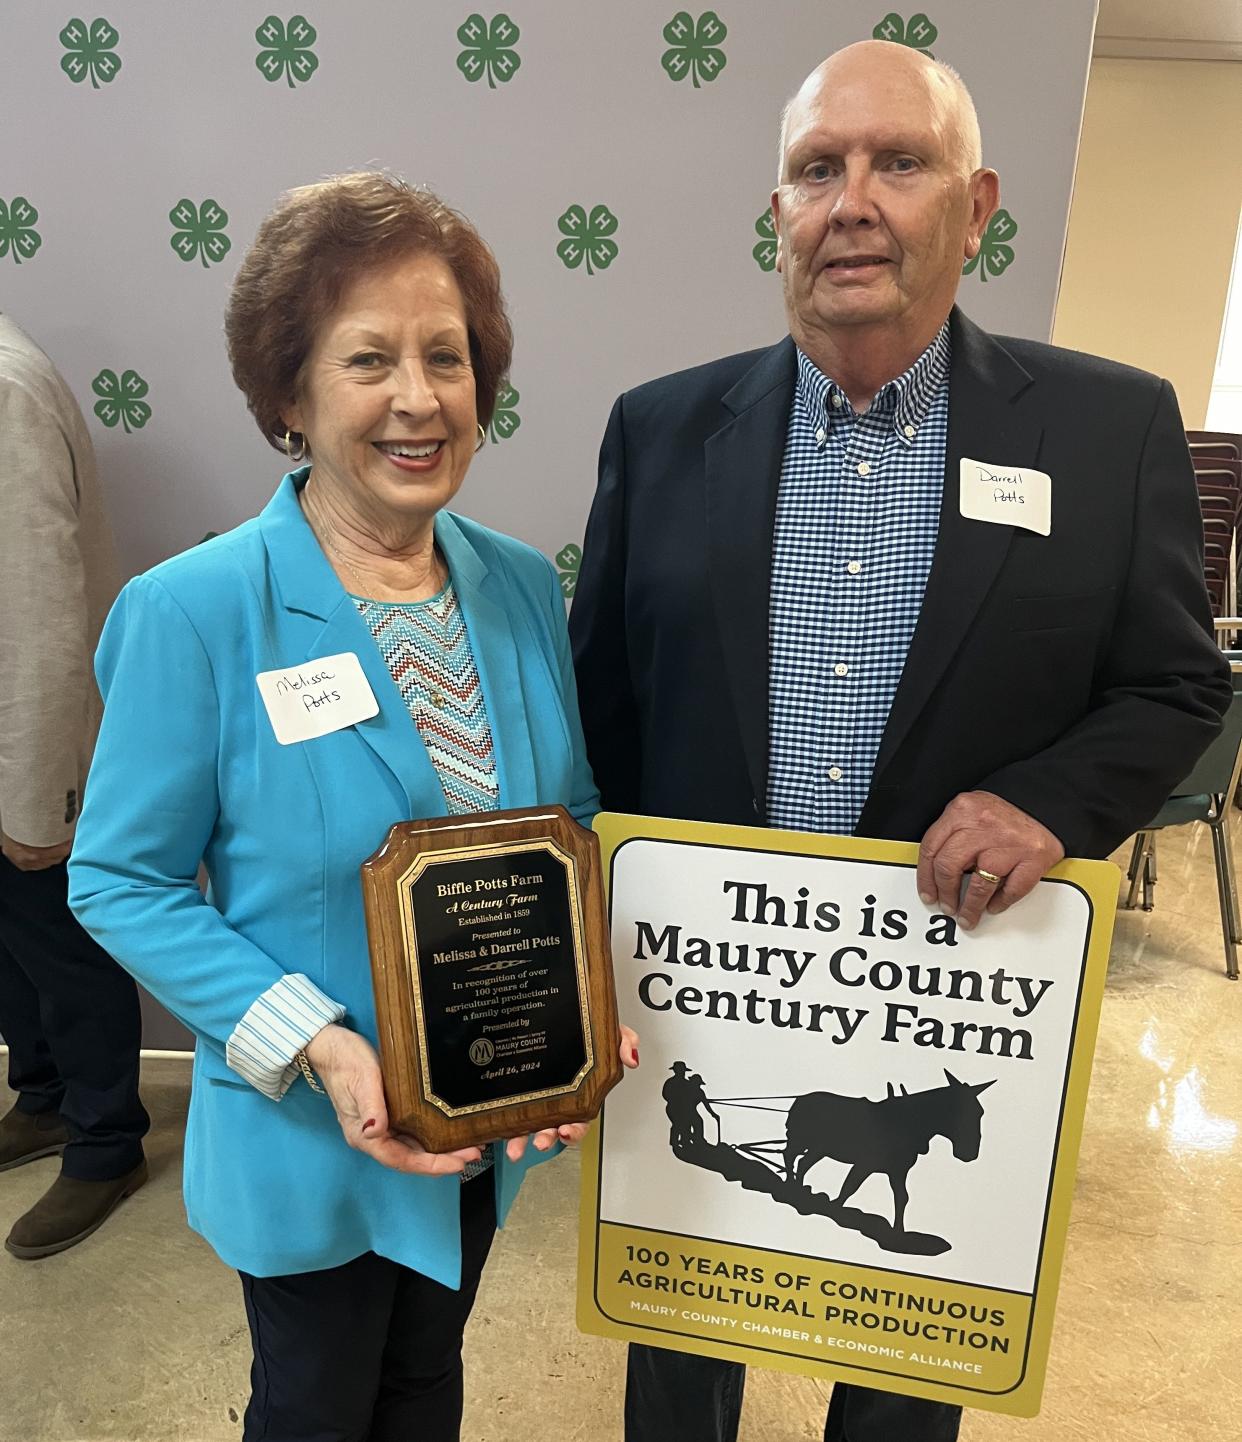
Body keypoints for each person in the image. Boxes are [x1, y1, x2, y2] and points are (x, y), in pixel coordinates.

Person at [569, 40, 1230, 1442]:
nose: (851, 200)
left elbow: (1176, 686)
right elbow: (601, 712)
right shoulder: (661, 430)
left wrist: (1047, 801)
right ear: (778, 213)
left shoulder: (1106, 431)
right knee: (680, 1332)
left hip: (944, 978)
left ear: (974, 205)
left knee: (907, 1332)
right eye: (817, 168)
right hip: (707, 985)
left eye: (897, 162)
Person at [68, 173, 636, 1442]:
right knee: (319, 1405)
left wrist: (583, 987)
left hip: (495, 1109)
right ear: (289, 394)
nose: (419, 397)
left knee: (428, 1381)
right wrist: (319, 1042)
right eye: (368, 357)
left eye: (448, 356)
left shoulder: (518, 589)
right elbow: (119, 880)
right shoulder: (196, 611)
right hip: (313, 1134)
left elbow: (573, 813)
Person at [0, 313, 149, 1260]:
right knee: (13, 947)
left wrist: (38, 793)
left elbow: (41, 611)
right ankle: (45, 1099)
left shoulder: (4, 391)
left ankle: (105, 1141)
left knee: (60, 943)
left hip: (28, 748)